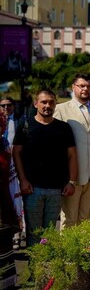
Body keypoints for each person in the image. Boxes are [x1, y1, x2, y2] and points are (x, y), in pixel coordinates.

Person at [12, 89, 78, 247]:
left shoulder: (63, 128)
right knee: (34, 233)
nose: (47, 105)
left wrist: (71, 182)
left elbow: (72, 156)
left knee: (49, 233)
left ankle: (47, 270)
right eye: (43, 102)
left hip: (56, 189)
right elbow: (16, 153)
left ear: (56, 104)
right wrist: (23, 180)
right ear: (36, 104)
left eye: (51, 102)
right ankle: (35, 270)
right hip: (32, 188)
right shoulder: (25, 124)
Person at [54, 73, 90, 228]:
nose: (85, 89)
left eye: (88, 86)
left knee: (85, 218)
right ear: (73, 87)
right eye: (81, 86)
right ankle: (68, 251)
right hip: (72, 174)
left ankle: (82, 251)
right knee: (69, 218)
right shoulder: (61, 109)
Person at [1, 96, 25, 246]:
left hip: (15, 164)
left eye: (8, 105)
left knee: (17, 201)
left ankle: (17, 234)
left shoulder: (21, 120)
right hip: (4, 167)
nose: (5, 108)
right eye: (2, 105)